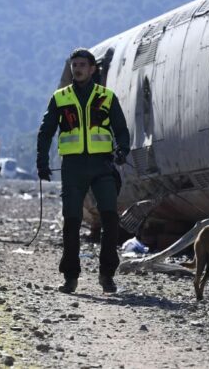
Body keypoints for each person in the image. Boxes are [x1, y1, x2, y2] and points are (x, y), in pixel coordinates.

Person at [37, 48, 130, 294]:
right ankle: (70, 277)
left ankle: (107, 274)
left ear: (92, 69)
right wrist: (42, 162)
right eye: (73, 65)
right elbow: (46, 131)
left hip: (102, 165)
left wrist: (123, 149)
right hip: (73, 167)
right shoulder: (60, 97)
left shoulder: (106, 97)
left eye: (81, 65)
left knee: (111, 219)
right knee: (71, 222)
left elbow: (121, 129)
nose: (76, 69)